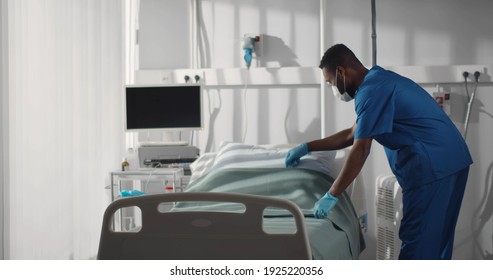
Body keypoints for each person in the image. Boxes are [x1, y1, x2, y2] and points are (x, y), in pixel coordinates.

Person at [285, 44, 472, 260]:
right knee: (438, 243)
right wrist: (308, 147)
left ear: (341, 71)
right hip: (452, 160)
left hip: (432, 167)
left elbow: (361, 148)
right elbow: (351, 134)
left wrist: (332, 195)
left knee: (418, 244)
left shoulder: (371, 91)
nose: (333, 88)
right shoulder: (379, 81)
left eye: (330, 82)